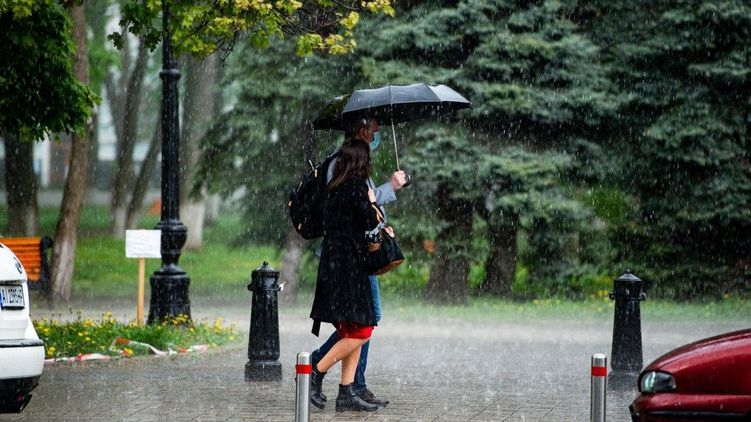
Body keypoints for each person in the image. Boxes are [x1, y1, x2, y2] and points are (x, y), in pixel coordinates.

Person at [310, 117, 407, 410]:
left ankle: (348, 390)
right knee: (363, 327)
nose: (374, 139)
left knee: (357, 326)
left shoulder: (343, 181)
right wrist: (383, 192)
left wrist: (372, 198)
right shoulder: (350, 183)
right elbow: (366, 217)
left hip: (345, 263)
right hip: (349, 266)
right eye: (373, 133)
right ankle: (316, 370)